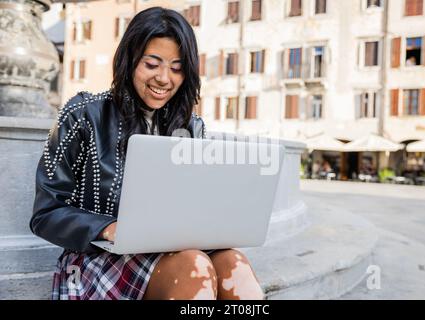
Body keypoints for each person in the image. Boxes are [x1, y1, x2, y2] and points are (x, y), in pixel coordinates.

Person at [30, 7, 264, 300]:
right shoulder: (83, 114)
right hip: (98, 259)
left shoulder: (192, 126)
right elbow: (46, 213)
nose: (164, 79)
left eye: (177, 68)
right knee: (194, 267)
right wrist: (108, 228)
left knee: (234, 263)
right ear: (129, 61)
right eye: (152, 64)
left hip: (173, 252)